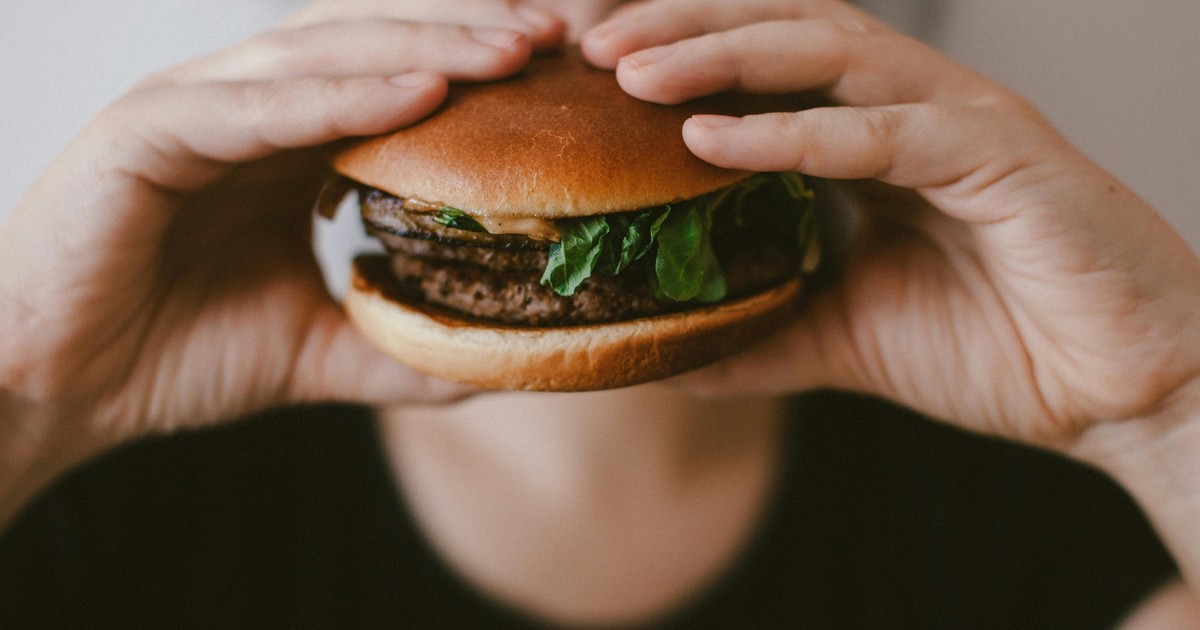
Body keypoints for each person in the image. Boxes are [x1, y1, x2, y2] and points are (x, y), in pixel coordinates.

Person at [0, 0, 1197, 627]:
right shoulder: (110, 500)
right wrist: (27, 396)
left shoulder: (1028, 498)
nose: (579, 12)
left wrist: (1172, 410)